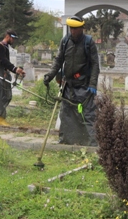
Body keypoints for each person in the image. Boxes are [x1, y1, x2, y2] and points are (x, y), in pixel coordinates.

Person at [43, 16, 100, 146]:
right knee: (66, 114)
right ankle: (66, 140)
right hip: (68, 85)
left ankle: (92, 143)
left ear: (81, 28)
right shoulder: (65, 41)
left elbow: (95, 64)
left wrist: (92, 84)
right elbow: (58, 60)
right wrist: (50, 75)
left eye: (75, 28)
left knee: (87, 114)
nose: (73, 31)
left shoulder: (88, 42)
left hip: (84, 85)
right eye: (71, 28)